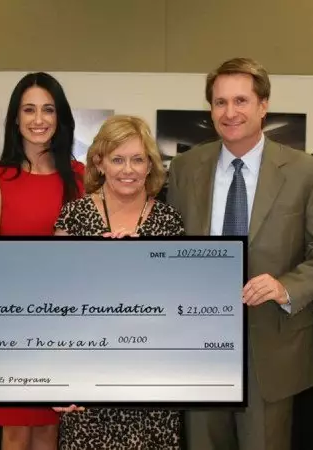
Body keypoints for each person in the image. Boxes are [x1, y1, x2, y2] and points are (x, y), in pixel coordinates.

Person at [166, 58, 313, 450]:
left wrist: (285, 287)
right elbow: (170, 245)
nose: (230, 113)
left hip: (271, 346)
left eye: (241, 100)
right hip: (199, 342)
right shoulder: (184, 168)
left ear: (263, 105)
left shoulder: (307, 172)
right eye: (219, 102)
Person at [54, 115, 184, 449]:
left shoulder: (170, 221)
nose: (128, 169)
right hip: (87, 381)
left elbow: (179, 306)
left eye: (138, 159)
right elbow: (55, 305)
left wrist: (142, 262)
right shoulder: (74, 216)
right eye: (118, 159)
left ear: (150, 165)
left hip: (152, 381)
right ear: (99, 162)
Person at [0, 72, 85, 450]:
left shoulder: (82, 179)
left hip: (69, 332)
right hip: (14, 330)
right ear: (16, 118)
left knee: (52, 434)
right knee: (16, 433)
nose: (38, 119)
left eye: (48, 109)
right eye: (29, 109)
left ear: (60, 118)